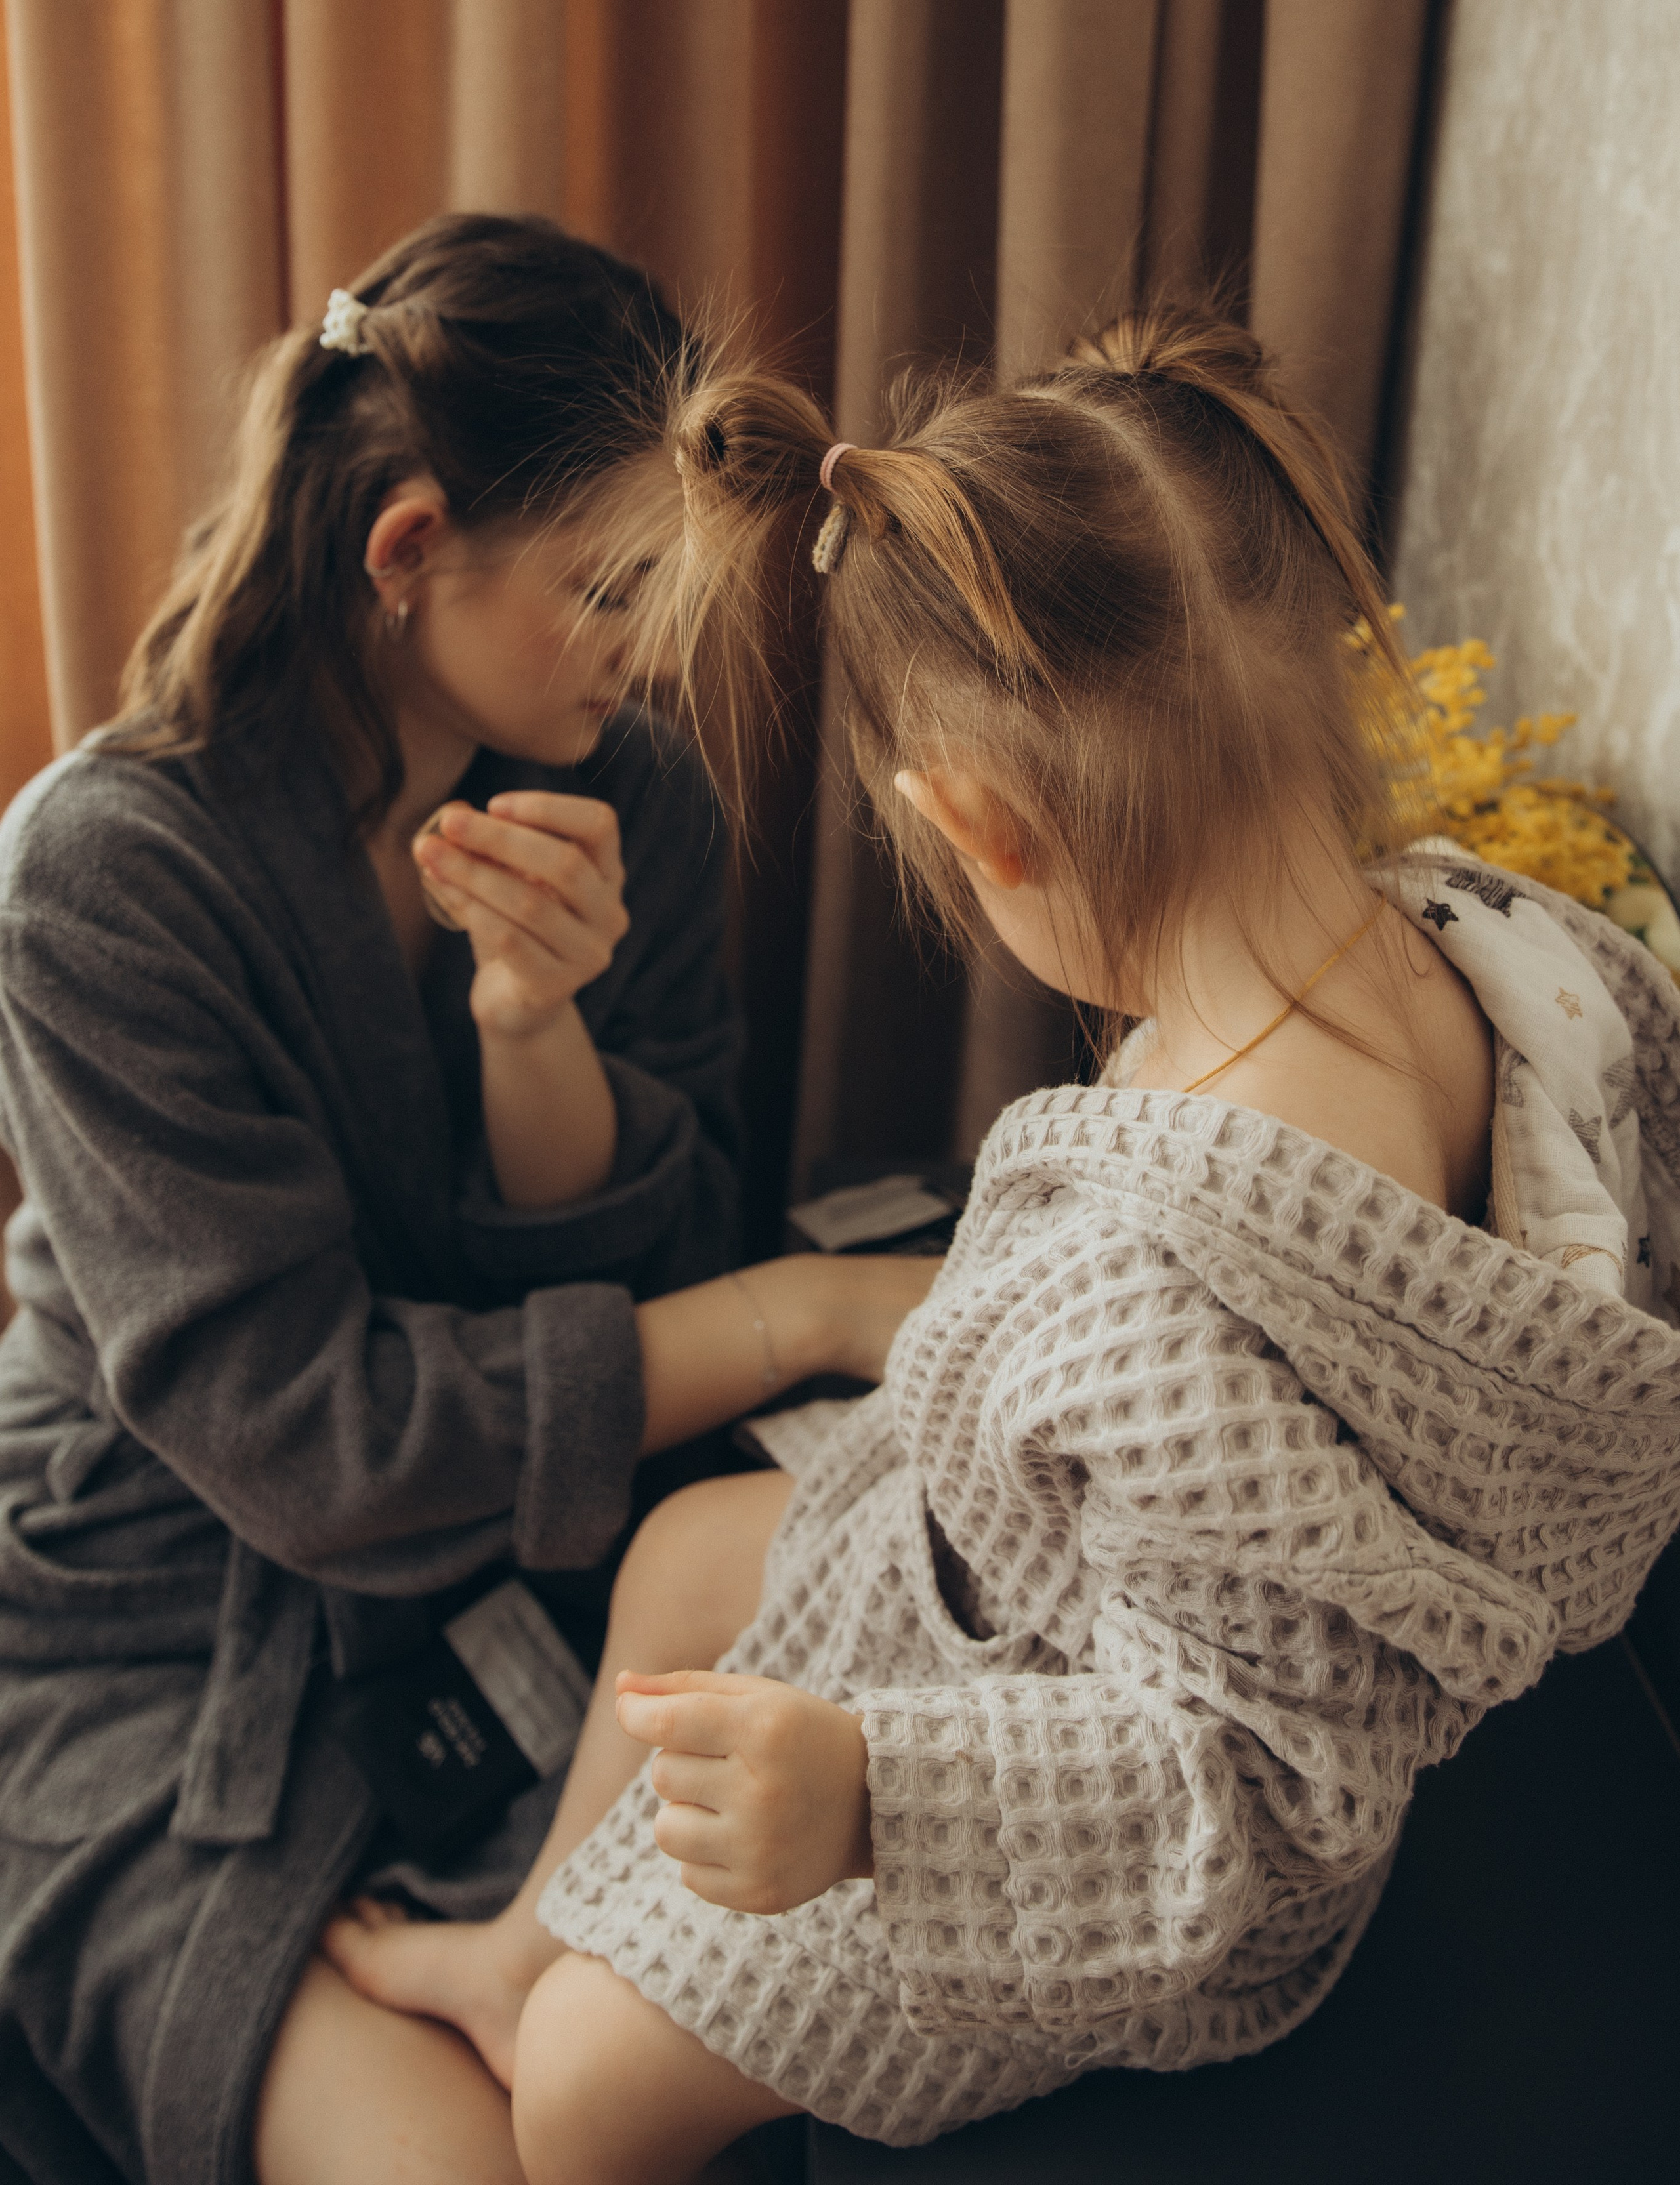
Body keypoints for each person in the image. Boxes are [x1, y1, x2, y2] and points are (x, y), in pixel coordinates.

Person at [329, 300, 1680, 2183]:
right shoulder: (1506, 947)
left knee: (575, 2090)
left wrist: (873, 1797)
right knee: (684, 1561)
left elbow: (1244, 1791)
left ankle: (552, 2001)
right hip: (1046, 1585)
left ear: (970, 824)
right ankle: (518, 1938)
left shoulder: (1163, 1289)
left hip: (1087, 1838)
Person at [0, 211, 933, 2185]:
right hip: (162, 1636)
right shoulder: (105, 879)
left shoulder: (639, 799)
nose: (650, 646)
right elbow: (316, 1446)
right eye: (608, 590)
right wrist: (818, 1314)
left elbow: (653, 1262)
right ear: (408, 551)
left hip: (513, 1605)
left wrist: (534, 1032)